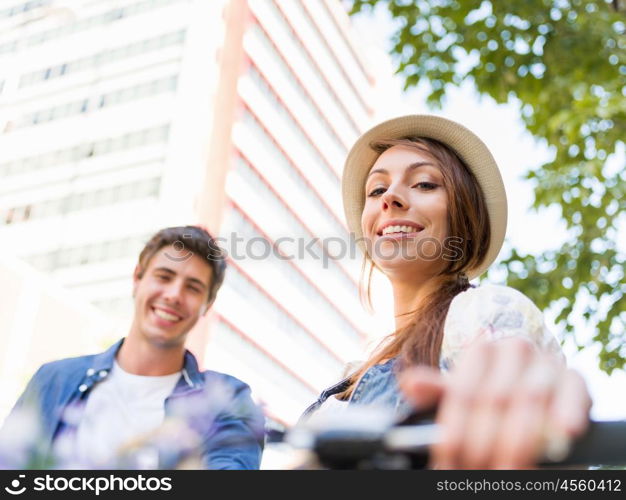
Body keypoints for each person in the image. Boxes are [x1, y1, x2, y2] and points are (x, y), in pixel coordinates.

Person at [300, 115, 591, 469]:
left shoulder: (482, 310)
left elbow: (510, 371)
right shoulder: (347, 375)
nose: (390, 197)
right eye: (376, 190)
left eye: (423, 184)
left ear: (464, 216)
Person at [0, 226, 264, 469]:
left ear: (208, 303)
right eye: (164, 276)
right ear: (137, 278)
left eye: (193, 288)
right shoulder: (54, 379)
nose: (174, 295)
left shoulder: (226, 399)